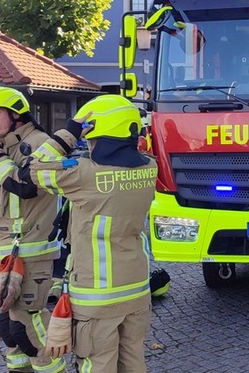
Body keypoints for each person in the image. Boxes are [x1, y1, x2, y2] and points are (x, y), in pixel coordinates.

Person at [23, 94, 157, 373]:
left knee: (97, 363)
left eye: (90, 139)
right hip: (136, 288)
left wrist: (69, 133)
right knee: (133, 359)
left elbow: (33, 168)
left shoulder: (84, 174)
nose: (88, 144)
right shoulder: (149, 167)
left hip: (97, 294)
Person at [0, 86, 65, 373]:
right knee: (10, 330)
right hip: (3, 251)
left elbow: (23, 185)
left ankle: (53, 368)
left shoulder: (39, 143)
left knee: (29, 324)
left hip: (32, 250)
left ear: (16, 114)